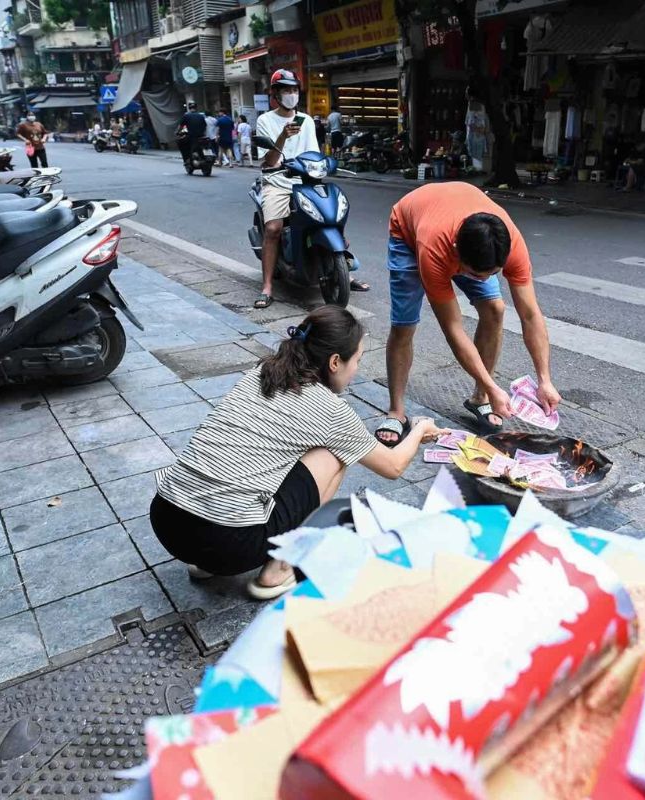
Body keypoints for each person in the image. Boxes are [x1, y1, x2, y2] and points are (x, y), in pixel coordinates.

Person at [149, 305, 442, 598]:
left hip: (167, 522)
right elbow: (393, 467)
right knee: (335, 455)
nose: (357, 370)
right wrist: (418, 430)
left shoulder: (262, 371)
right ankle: (279, 568)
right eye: (358, 360)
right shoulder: (331, 411)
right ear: (335, 362)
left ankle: (205, 562)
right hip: (229, 544)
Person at [375, 182, 562, 446]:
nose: (484, 279)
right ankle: (396, 410)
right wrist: (493, 385)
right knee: (404, 325)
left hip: (455, 215)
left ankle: (480, 398)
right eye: (476, 275)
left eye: (492, 273)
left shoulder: (509, 244)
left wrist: (545, 380)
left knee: (495, 309)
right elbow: (454, 329)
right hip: (408, 230)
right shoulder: (435, 249)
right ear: (456, 251)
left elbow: (530, 315)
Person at [253, 69, 319, 309]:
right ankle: (267, 286)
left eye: (293, 90)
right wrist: (282, 136)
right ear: (275, 95)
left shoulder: (307, 121)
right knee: (273, 228)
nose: (291, 95)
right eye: (285, 91)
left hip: (305, 180)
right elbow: (270, 162)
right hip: (277, 180)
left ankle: (344, 269)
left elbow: (314, 154)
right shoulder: (265, 121)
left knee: (328, 215)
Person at [176, 101, 207, 165]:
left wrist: (178, 132)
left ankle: (186, 159)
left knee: (180, 142)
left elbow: (181, 126)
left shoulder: (186, 116)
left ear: (189, 108)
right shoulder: (201, 116)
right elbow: (205, 126)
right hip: (201, 136)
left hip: (191, 136)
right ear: (196, 108)